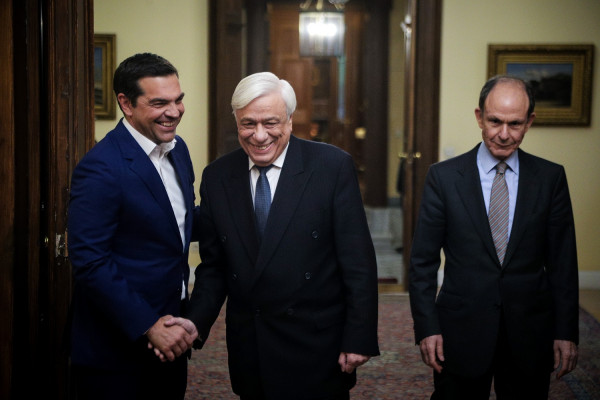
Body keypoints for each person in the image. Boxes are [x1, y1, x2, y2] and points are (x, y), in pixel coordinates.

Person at [180, 71, 380, 400]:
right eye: (248, 124)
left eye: (270, 123)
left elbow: (357, 262)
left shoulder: (331, 167)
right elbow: (215, 266)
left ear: (289, 121)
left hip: (316, 343)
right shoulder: (217, 177)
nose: (259, 135)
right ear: (236, 121)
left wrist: (359, 337)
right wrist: (195, 321)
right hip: (252, 344)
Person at [408, 75, 579, 399]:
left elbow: (563, 264)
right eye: (495, 121)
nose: (503, 134)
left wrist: (566, 331)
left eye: (515, 124)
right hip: (461, 329)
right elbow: (422, 262)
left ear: (529, 122)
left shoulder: (550, 178)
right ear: (479, 117)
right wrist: (427, 328)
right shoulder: (443, 178)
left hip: (529, 331)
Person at [68, 52, 199, 400]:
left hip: (172, 335)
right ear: (126, 104)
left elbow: (177, 223)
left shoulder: (178, 150)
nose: (174, 111)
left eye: (178, 100)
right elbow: (90, 261)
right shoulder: (101, 167)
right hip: (116, 349)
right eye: (159, 103)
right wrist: (148, 325)